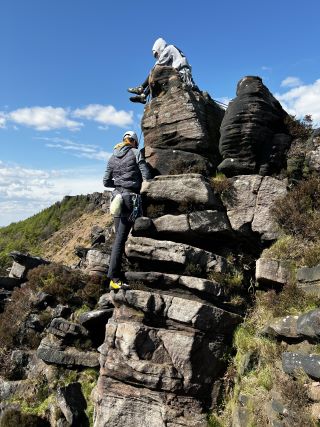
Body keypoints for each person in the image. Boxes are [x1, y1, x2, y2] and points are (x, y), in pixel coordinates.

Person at [103, 130, 151, 290]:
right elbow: (146, 175)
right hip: (130, 199)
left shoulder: (112, 157)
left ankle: (119, 272)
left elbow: (105, 182)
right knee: (121, 239)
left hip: (116, 198)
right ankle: (114, 278)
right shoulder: (136, 152)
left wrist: (118, 185)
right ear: (135, 142)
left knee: (119, 237)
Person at [128, 37, 197, 104]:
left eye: (156, 54)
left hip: (181, 73)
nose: (157, 56)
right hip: (182, 73)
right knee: (156, 76)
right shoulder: (172, 51)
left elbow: (157, 66)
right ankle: (143, 95)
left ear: (160, 47)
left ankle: (141, 88)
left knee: (156, 71)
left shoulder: (169, 48)